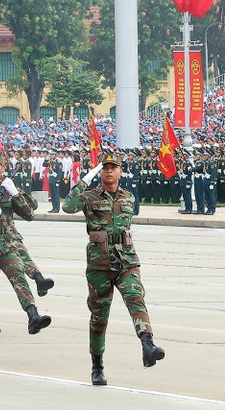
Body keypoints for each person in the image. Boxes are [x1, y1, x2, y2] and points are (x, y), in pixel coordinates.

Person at [62, 153, 165, 386]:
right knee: (99, 317)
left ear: (120, 171)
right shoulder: (88, 196)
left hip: (127, 261)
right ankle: (97, 366)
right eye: (105, 168)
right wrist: (84, 180)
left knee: (136, 297)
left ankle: (147, 344)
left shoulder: (129, 197)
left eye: (113, 167)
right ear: (100, 172)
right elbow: (68, 206)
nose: (109, 171)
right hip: (99, 265)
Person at [0, 153, 51, 359]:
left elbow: (29, 214)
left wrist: (15, 193)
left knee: (19, 277)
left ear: (0, 169)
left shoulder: (7, 188)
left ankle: (32, 315)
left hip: (7, 245)